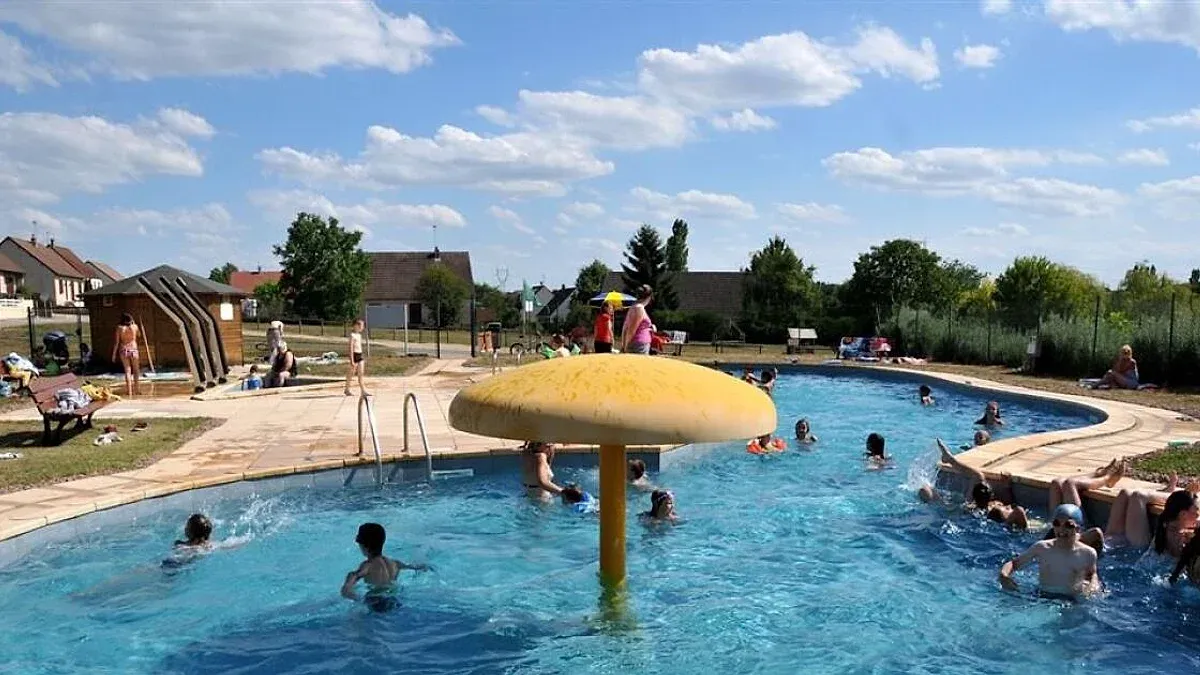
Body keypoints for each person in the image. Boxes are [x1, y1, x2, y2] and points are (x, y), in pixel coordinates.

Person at [999, 503, 1101, 600]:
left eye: (1068, 525)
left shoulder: (1088, 553)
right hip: (1041, 596)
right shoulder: (1042, 547)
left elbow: (1092, 575)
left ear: (1078, 529)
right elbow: (1014, 563)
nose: (1061, 529)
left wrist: (1093, 586)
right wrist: (1004, 576)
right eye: (1057, 523)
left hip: (1069, 600)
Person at [922, 439, 1029, 530]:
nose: (1008, 507)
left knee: (926, 491)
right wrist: (1007, 487)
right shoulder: (993, 510)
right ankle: (950, 460)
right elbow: (1014, 508)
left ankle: (950, 460)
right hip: (974, 513)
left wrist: (1007, 487)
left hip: (965, 511)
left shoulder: (976, 507)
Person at [341, 523, 430, 611]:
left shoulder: (368, 565)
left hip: (376, 603)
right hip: (394, 600)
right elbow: (415, 567)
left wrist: (352, 590)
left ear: (364, 545)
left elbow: (349, 586)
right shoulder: (394, 563)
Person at [111, 313, 141, 397]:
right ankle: (137, 389)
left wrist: (113, 354)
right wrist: (134, 323)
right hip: (133, 349)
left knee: (128, 371)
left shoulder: (120, 328)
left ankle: (129, 391)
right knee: (136, 371)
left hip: (124, 349)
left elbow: (116, 342)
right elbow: (139, 335)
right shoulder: (135, 327)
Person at [620, 285, 654, 355]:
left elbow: (625, 327)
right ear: (649, 297)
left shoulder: (633, 307)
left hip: (636, 343)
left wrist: (623, 344)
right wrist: (625, 346)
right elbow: (632, 329)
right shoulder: (639, 308)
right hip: (639, 345)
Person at [344, 318, 367, 397]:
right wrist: (352, 360)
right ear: (356, 326)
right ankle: (347, 389)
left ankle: (363, 390)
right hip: (354, 355)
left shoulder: (359, 335)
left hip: (360, 355)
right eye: (361, 325)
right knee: (351, 374)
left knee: (361, 373)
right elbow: (350, 348)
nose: (362, 327)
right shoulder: (352, 335)